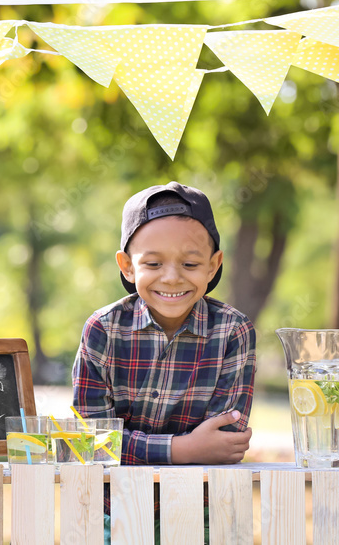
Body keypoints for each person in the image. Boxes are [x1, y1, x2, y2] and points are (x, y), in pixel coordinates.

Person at [72, 181, 256, 544]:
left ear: (213, 265)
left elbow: (224, 443)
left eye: (189, 263)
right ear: (126, 266)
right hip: (117, 506)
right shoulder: (104, 331)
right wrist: (183, 448)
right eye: (153, 263)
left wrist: (127, 446)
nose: (172, 277)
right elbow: (89, 443)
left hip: (200, 508)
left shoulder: (233, 331)